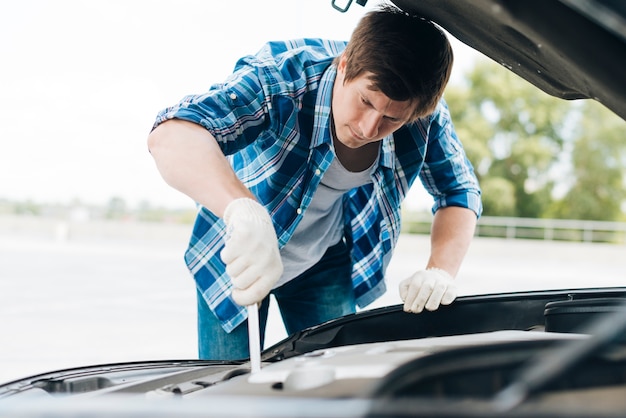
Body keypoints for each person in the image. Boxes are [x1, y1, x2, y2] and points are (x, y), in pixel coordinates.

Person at [147, 4, 481, 360]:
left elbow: (458, 190)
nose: (369, 129)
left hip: (321, 259)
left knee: (339, 381)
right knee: (225, 389)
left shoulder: (425, 116)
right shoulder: (281, 75)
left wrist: (440, 271)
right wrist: (242, 210)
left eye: (391, 119)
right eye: (365, 101)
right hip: (236, 252)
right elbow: (171, 135)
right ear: (344, 64)